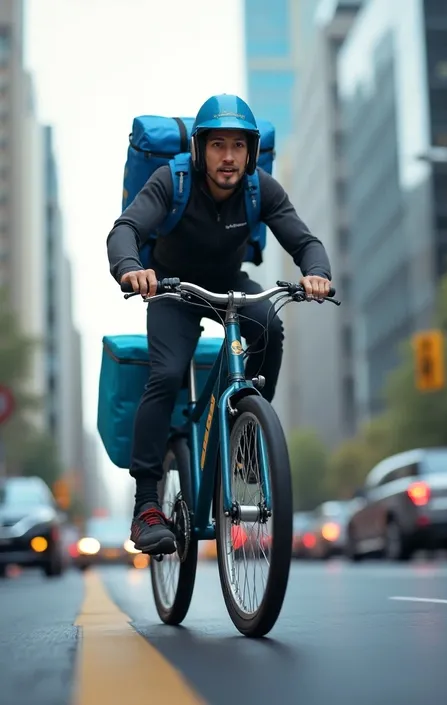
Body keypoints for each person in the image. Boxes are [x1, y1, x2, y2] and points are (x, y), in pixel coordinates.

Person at [106, 94, 332, 556]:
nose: (228, 157)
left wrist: (318, 274)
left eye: (237, 146)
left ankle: (246, 437)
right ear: (199, 149)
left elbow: (304, 240)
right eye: (216, 146)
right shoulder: (172, 180)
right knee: (166, 374)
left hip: (231, 286)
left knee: (270, 326)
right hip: (172, 291)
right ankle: (147, 504)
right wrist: (132, 267)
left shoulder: (260, 188)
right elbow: (125, 230)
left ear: (250, 152)